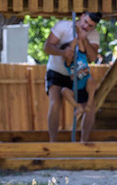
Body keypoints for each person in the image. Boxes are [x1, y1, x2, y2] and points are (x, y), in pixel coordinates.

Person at [44, 12, 102, 142]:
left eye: (91, 26)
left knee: (90, 107)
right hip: (57, 71)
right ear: (81, 16)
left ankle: (84, 143)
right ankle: (53, 143)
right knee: (55, 104)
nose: (86, 26)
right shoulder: (63, 26)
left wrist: (84, 39)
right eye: (85, 22)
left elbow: (92, 58)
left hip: (79, 75)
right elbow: (47, 47)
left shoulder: (93, 35)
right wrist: (62, 52)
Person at [60, 37, 96, 118]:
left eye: (72, 50)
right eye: (69, 52)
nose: (71, 54)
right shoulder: (68, 64)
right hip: (77, 92)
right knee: (64, 91)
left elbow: (80, 43)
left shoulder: (81, 56)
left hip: (87, 88)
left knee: (91, 79)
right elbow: (69, 56)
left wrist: (79, 35)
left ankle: (89, 103)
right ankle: (78, 106)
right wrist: (72, 45)